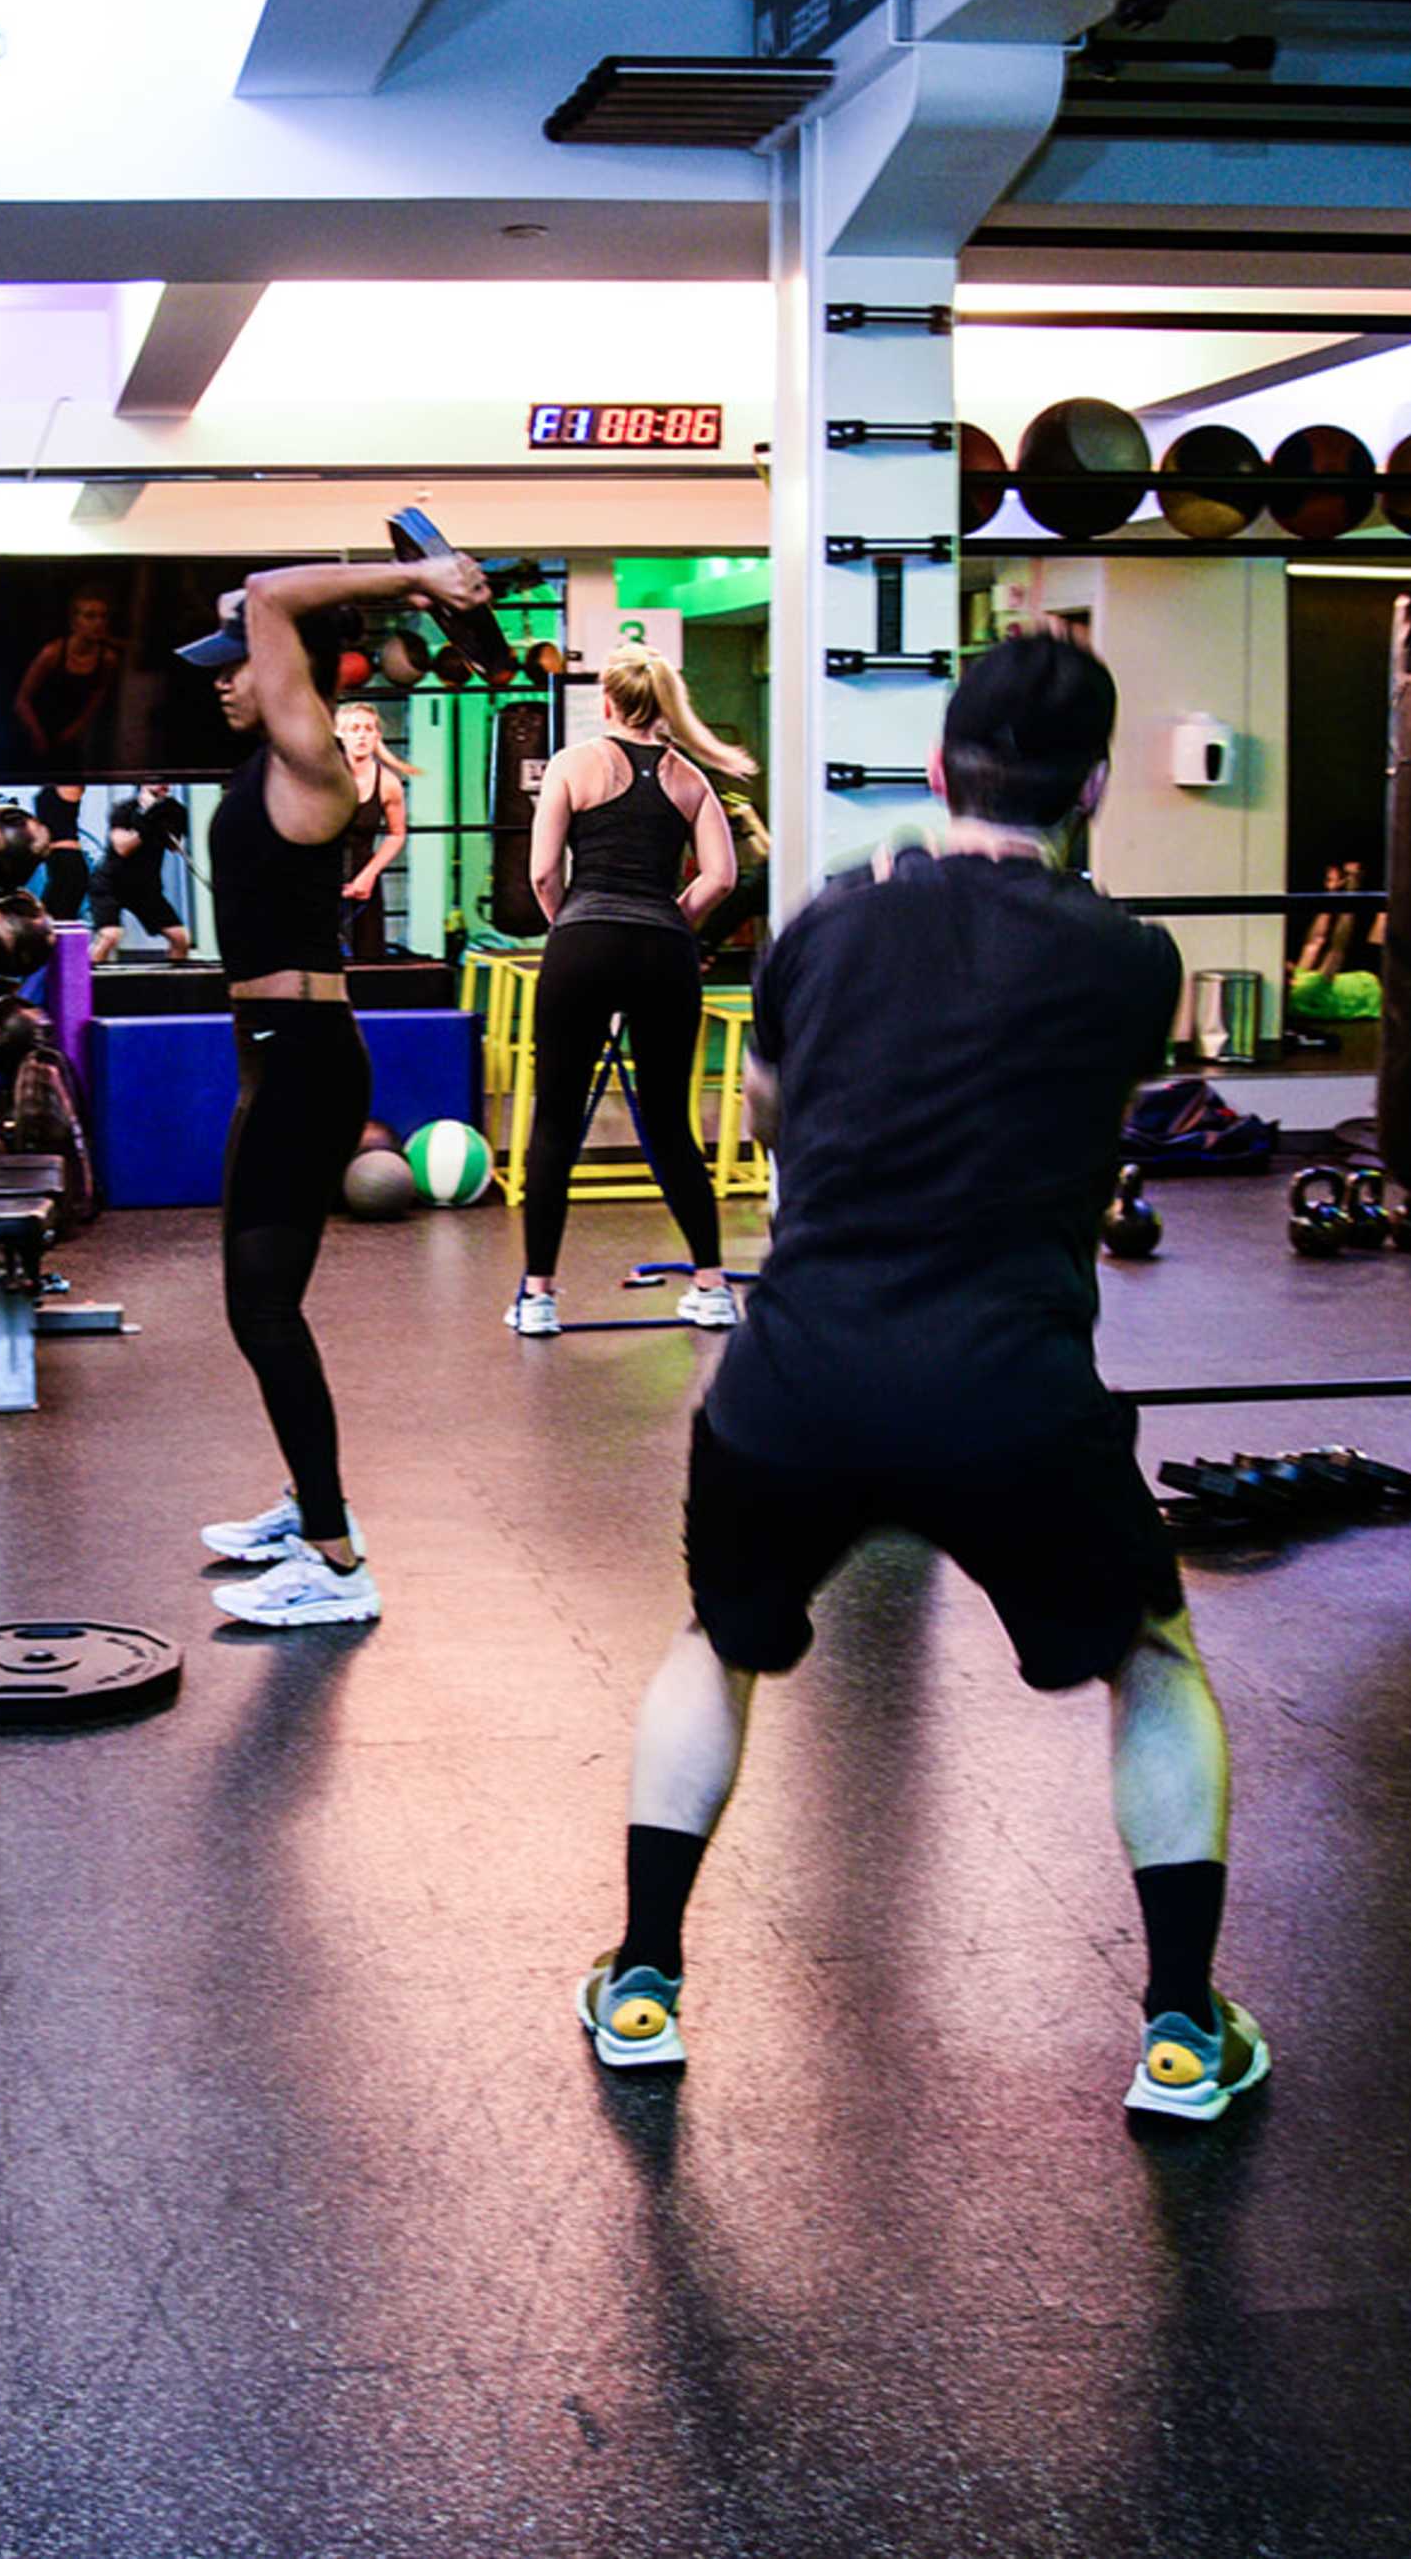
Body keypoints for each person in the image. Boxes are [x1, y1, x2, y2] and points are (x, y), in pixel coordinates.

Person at [575, 632, 1265, 2128]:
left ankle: (642, 1980)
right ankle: (1180, 2030)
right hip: (1007, 1394)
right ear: (1091, 787)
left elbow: (768, 1110)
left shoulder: (818, 927)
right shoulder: (1136, 962)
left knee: (719, 1641)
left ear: (940, 766)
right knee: (1152, 1658)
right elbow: (1092, 1109)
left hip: (797, 1379)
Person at [177, 536, 494, 1629]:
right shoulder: (274, 761)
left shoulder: (310, 757)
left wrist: (420, 583)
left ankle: (335, 1561)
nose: (224, 676)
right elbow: (260, 600)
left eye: (239, 659)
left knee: (260, 1308)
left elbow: (271, 593)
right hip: (286, 1056)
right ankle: (309, 1503)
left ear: (287, 670)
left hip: (306, 1061)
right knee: (265, 1305)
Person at [508, 644, 747, 1338]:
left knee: (555, 1120)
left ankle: (539, 1296)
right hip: (664, 950)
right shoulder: (690, 779)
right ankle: (710, 1287)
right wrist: (674, 920)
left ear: (606, 704)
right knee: (671, 1122)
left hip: (584, 942)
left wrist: (572, 929)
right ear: (663, 706)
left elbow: (545, 873)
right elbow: (721, 879)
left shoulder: (573, 764)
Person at [332, 702, 413, 961]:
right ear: (340, 734)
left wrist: (368, 875)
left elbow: (397, 833)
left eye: (368, 729)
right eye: (354, 728)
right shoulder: (325, 778)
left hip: (364, 877)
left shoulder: (388, 783)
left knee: (368, 959)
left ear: (377, 736)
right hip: (324, 874)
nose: (362, 735)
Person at [12, 586, 125, 761]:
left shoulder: (108, 659)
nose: (98, 623)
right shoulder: (52, 653)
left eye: (103, 616)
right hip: (38, 733)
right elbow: (22, 701)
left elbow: (96, 700)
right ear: (74, 621)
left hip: (74, 740)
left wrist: (76, 730)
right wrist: (37, 736)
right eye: (90, 616)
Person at [89, 783, 194, 966]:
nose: (163, 784)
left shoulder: (171, 809)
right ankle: (84, 983)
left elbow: (173, 846)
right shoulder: (125, 809)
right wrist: (146, 818)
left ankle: (176, 987)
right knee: (110, 936)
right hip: (111, 883)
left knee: (180, 938)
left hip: (146, 887)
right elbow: (122, 847)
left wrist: (165, 818)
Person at [29, 780, 93, 922]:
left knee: (56, 918)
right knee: (51, 918)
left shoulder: (69, 782)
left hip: (68, 862)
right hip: (57, 861)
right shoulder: (49, 780)